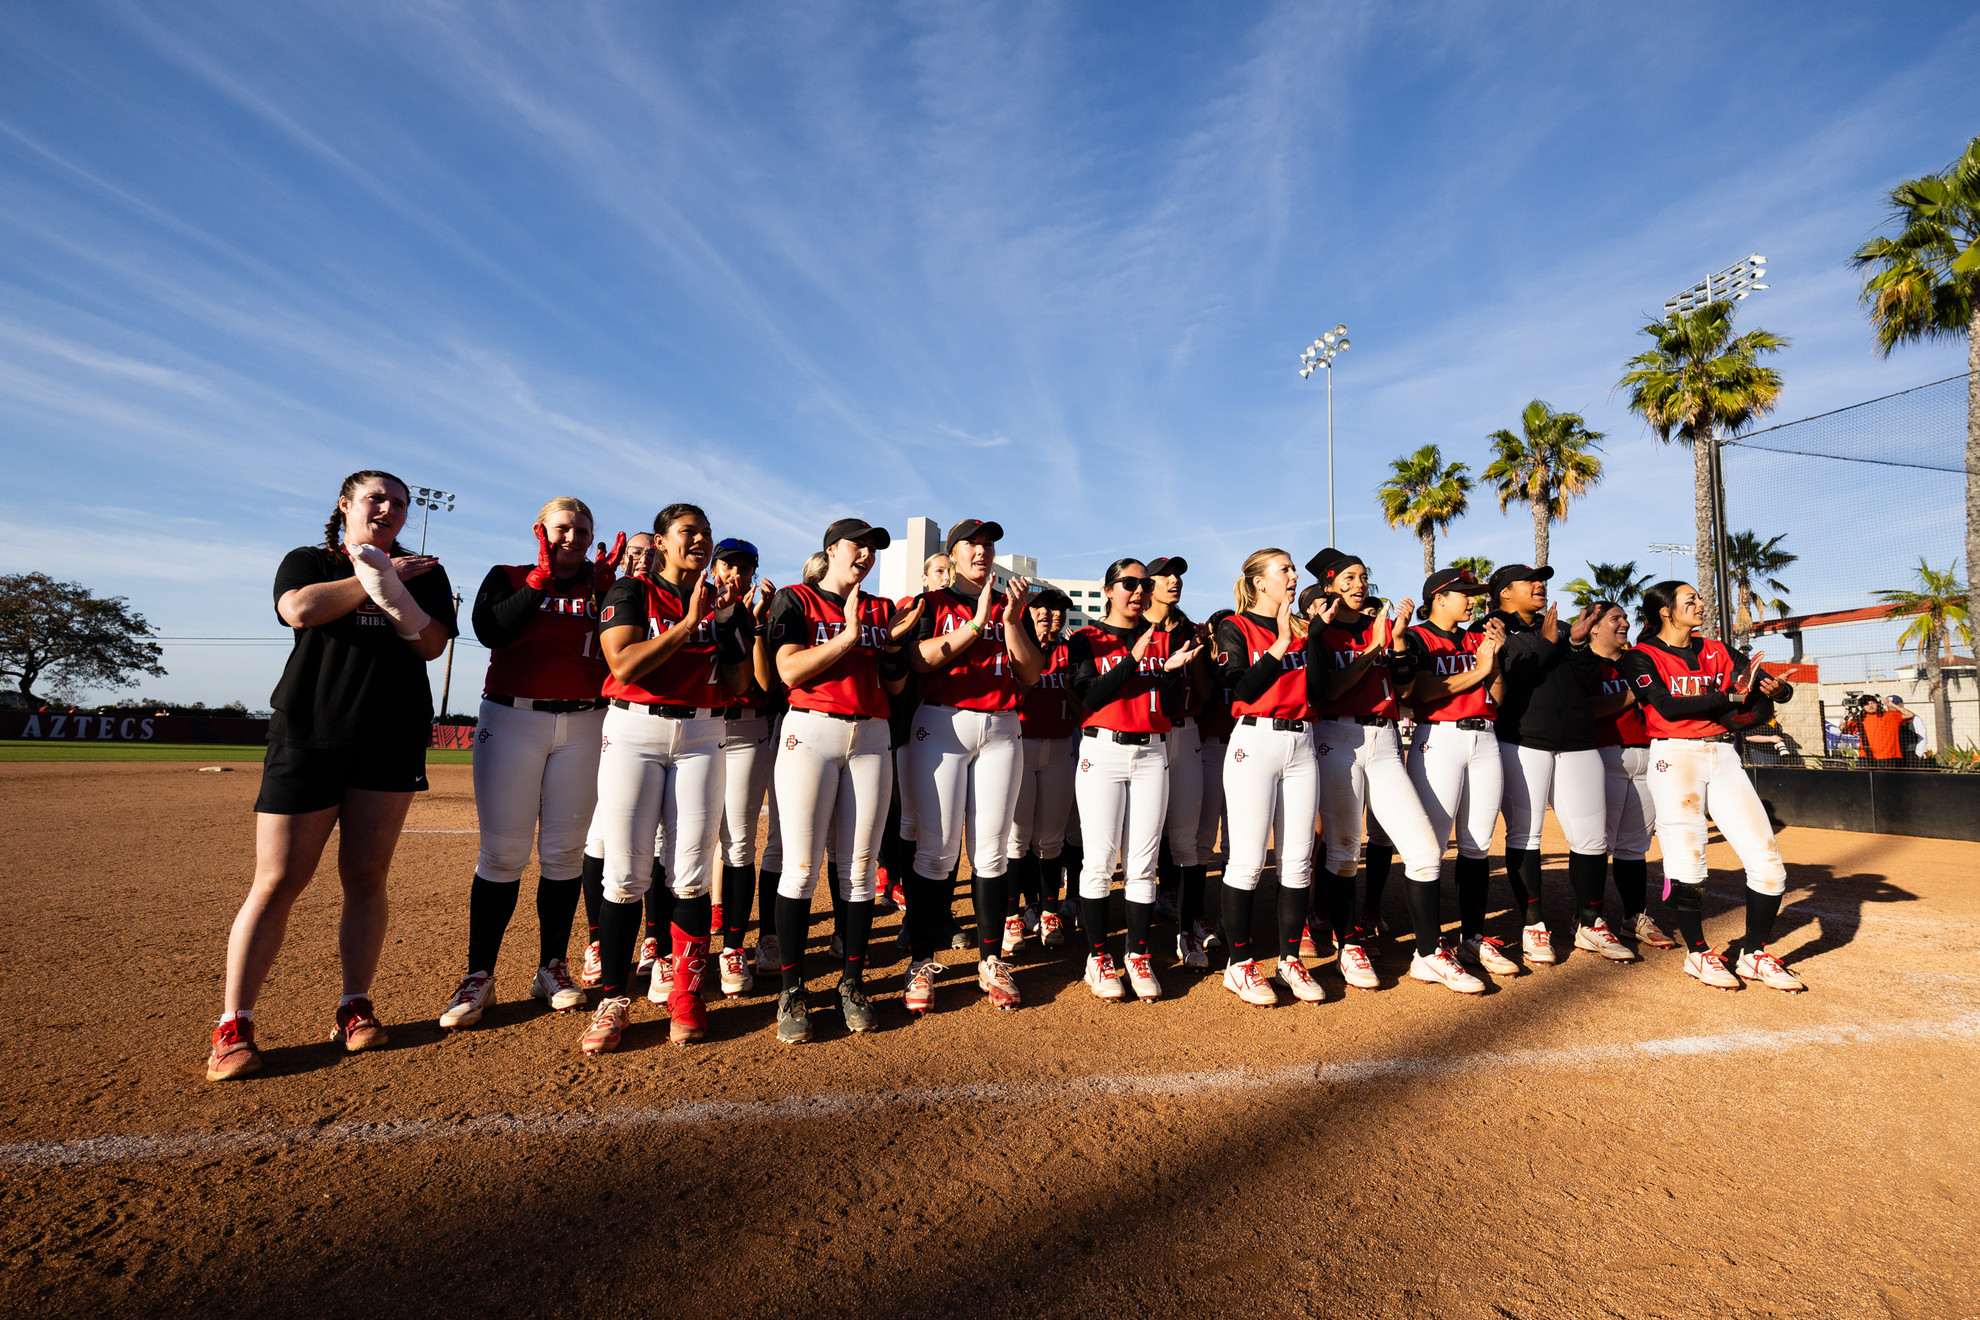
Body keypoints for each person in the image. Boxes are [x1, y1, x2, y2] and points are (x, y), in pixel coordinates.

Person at [206, 471, 457, 1081]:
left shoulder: (428, 568)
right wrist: (373, 577)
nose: (390, 509)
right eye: (377, 498)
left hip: (389, 738)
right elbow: (298, 610)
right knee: (279, 879)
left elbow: (430, 645)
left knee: (366, 876)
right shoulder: (308, 559)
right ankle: (233, 1023)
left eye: (398, 503)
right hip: (309, 732)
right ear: (346, 504)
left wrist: (395, 584)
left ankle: (354, 1004)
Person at [438, 498, 619, 1031]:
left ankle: (552, 967)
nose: (573, 538)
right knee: (502, 852)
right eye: (563, 528)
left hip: (586, 721)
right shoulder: (510, 575)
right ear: (541, 530)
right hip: (513, 717)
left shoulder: (604, 582)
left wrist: (611, 593)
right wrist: (539, 580)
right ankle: (479, 974)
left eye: (583, 530)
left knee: (564, 853)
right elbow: (491, 630)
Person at [578, 503, 751, 1055]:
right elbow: (623, 665)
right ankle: (614, 998)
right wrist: (687, 625)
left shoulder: (723, 602)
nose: (699, 540)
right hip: (635, 731)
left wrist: (725, 623)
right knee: (626, 873)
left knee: (692, 874)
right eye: (688, 532)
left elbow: (740, 681)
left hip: (703, 733)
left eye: (705, 532)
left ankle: (686, 993)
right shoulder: (632, 591)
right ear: (660, 541)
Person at [1308, 551, 1481, 995]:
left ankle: (1427, 955)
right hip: (1336, 736)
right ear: (1330, 585)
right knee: (1344, 851)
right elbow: (1327, 691)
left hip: (1384, 738)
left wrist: (1398, 642)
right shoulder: (1321, 631)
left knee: (1425, 850)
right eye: (1348, 577)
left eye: (1363, 576)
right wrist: (1373, 648)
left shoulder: (1380, 626)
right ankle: (1349, 944)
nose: (1359, 583)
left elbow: (1404, 690)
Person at [1620, 581, 1805, 992]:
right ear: (1665, 611)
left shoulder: (1717, 649)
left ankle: (1752, 952)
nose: (1700, 604)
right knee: (1688, 859)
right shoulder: (1640, 656)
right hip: (1674, 757)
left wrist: (1780, 690)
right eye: (1690, 600)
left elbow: (1763, 692)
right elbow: (1667, 705)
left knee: (1767, 860)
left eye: (1699, 598)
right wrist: (1728, 697)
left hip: (1722, 755)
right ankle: (1698, 952)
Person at [902, 519, 1044, 1014]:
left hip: (1002, 726)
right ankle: (921, 960)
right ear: (954, 554)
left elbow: (1029, 674)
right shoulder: (932, 603)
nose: (982, 552)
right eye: (973, 545)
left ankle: (990, 960)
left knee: (993, 853)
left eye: (988, 545)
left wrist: (1007, 620)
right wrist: (976, 621)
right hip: (942, 724)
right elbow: (919, 662)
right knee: (936, 852)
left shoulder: (1010, 607)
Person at [1066, 559, 1203, 1001]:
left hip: (1151, 750)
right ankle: (1098, 957)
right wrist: (1135, 659)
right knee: (1101, 860)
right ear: (1108, 589)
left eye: (1145, 585)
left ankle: (1138, 954)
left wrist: (1168, 670)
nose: (1139, 591)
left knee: (1143, 862)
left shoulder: (1165, 639)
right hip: (1102, 748)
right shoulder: (1087, 637)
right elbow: (1090, 696)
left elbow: (1166, 702)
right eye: (1129, 583)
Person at [1487, 565, 1633, 966]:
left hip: (1578, 743)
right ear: (1504, 593)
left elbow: (1586, 682)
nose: (1540, 585)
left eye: (1542, 579)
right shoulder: (1494, 627)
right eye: (1528, 581)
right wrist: (1552, 643)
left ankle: (1590, 922)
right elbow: (1513, 675)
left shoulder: (1564, 627)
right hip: (1523, 742)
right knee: (1526, 836)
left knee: (1592, 839)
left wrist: (1580, 645)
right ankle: (1533, 924)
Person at [1400, 567, 1519, 977]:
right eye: (1464, 593)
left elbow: (1497, 696)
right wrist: (1482, 669)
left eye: (1473, 593)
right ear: (1438, 597)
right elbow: (1424, 690)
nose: (1472, 600)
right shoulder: (1418, 636)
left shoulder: (1477, 638)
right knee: (1429, 847)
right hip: (1439, 738)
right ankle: (1428, 950)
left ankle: (1472, 938)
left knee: (1477, 845)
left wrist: (1495, 661)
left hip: (1484, 737)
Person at [1212, 549, 1314, 1008]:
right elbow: (1243, 687)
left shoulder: (1306, 630)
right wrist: (1279, 641)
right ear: (1259, 583)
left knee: (1297, 860)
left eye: (1293, 569)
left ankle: (1290, 959)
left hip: (1303, 742)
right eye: (1285, 570)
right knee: (1249, 860)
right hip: (1255, 739)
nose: (1294, 576)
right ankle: (1239, 964)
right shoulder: (1235, 627)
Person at [708, 538, 781, 999]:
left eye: (745, 569)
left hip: (749, 729)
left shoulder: (767, 618)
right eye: (729, 566)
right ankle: (667, 949)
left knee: (738, 841)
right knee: (678, 844)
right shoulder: (690, 603)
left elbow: (763, 682)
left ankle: (733, 947)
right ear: (714, 567)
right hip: (697, 727)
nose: (736, 575)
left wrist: (755, 625)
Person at [1586, 601, 1677, 950]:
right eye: (1615, 618)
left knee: (1634, 848)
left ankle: (1634, 917)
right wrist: (1635, 693)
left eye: (1625, 617)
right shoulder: (1584, 664)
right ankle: (1589, 919)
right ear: (1593, 627)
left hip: (1649, 755)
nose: (1624, 623)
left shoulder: (1636, 662)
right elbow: (1589, 710)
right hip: (1605, 756)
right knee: (1595, 844)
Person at [1144, 555, 1217, 969]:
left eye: (1178, 576)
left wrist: (1201, 655)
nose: (1174, 581)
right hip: (1145, 734)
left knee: (1186, 837)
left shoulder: (1191, 629)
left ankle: (1188, 927)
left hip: (1187, 731)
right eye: (1165, 576)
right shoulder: (1136, 629)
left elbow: (1205, 693)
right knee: (1144, 835)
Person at [1007, 586, 1079, 951]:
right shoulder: (1015, 645)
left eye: (1057, 610)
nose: (1051, 615)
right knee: (1017, 839)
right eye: (1043, 609)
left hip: (1061, 746)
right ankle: (1012, 915)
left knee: (1050, 839)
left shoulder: (1069, 650)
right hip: (1020, 746)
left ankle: (1049, 911)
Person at [1841, 696, 1911, 770]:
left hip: (1887, 757)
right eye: (1867, 704)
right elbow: (1844, 730)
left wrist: (1892, 705)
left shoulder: (1890, 715)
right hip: (1866, 756)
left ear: (1878, 704)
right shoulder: (1860, 718)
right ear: (1862, 707)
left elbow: (1910, 715)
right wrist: (1844, 720)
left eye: (1873, 703)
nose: (1871, 706)